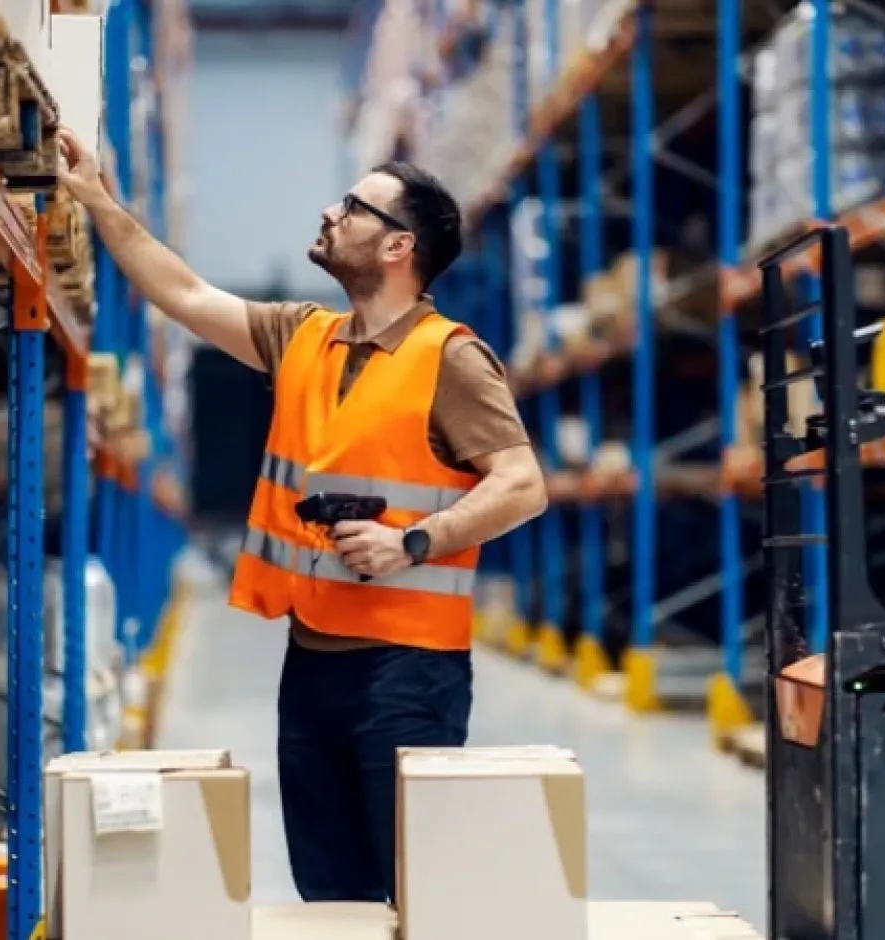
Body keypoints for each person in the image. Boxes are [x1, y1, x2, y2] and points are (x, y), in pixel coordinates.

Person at [56, 127, 548, 903]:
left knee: (415, 895)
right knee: (329, 895)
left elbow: (522, 484)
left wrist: (413, 541)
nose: (329, 212)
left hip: (408, 675)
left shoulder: (450, 358)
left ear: (399, 247)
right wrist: (95, 199)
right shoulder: (302, 338)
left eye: (354, 207)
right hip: (311, 666)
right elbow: (183, 293)